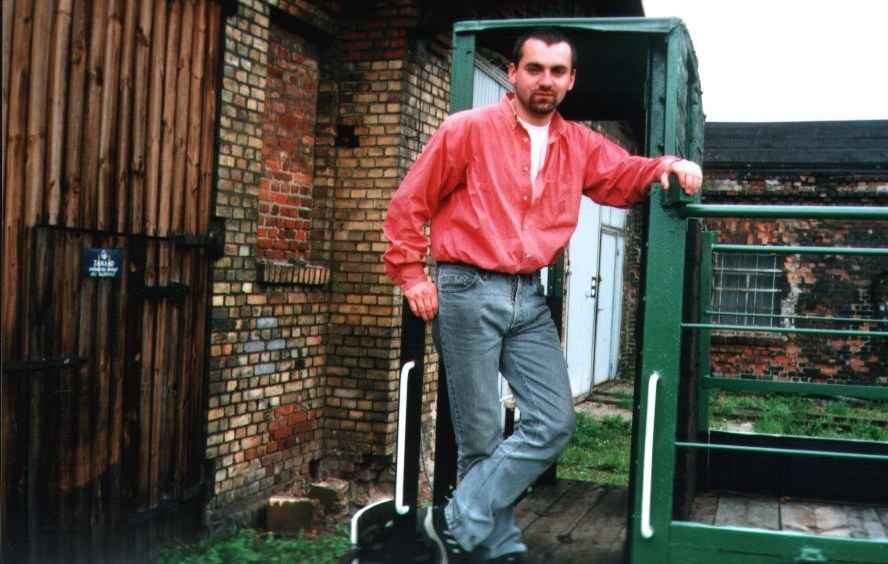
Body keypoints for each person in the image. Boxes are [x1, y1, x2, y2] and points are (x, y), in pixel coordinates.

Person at [382, 28, 703, 564]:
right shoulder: (466, 130)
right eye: (534, 69)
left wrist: (667, 167)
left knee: (554, 422)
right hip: (467, 289)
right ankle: (494, 545)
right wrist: (412, 274)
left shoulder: (576, 143)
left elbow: (623, 175)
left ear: (571, 80)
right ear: (513, 73)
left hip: (529, 297)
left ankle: (454, 521)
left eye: (557, 71)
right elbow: (410, 202)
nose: (545, 81)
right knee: (481, 435)